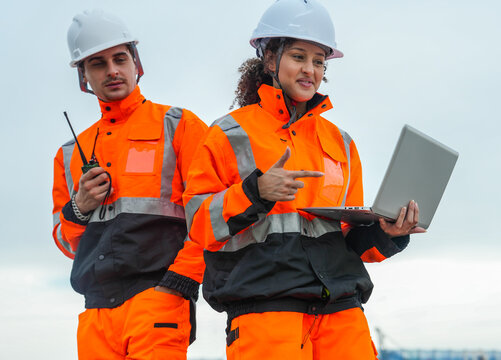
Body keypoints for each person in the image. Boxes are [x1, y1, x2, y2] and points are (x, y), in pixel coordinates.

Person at [183, 0, 426, 358]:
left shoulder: (340, 143)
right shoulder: (229, 133)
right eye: (298, 56)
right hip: (266, 314)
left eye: (318, 61)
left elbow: (351, 242)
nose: (309, 70)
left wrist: (388, 233)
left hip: (342, 313)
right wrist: (256, 192)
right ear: (269, 59)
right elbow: (199, 222)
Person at [51, 9, 207, 359]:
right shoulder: (67, 155)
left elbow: (211, 214)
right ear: (83, 76)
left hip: (157, 298)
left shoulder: (178, 126)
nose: (112, 71)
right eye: (98, 63)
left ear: (136, 63)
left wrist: (182, 280)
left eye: (120, 59)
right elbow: (65, 241)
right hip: (95, 314)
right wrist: (79, 208)